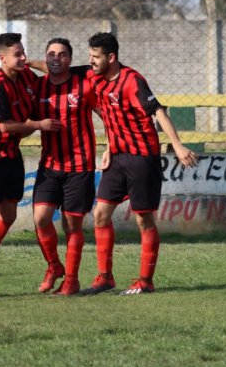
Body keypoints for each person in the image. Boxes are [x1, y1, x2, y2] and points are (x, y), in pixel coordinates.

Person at [80, 32, 199, 295]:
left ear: (111, 57)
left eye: (95, 57)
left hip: (141, 159)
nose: (91, 61)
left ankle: (146, 281)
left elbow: (158, 111)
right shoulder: (93, 76)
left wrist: (177, 146)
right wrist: (28, 62)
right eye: (89, 56)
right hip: (117, 158)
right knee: (100, 214)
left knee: (143, 219)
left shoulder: (133, 81)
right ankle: (104, 278)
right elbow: (59, 69)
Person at [0, 33, 62, 301]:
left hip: (10, 154)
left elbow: (53, 73)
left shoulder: (25, 76)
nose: (22, 58)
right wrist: (38, 125)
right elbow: (5, 126)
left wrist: (30, 63)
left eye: (23, 53)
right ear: (1, 58)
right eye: (16, 54)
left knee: (9, 216)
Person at [29, 38, 98, 296]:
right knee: (41, 218)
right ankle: (54, 266)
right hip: (49, 165)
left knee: (72, 226)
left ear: (70, 59)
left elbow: (107, 116)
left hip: (80, 166)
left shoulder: (84, 86)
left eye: (62, 54)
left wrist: (112, 147)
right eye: (51, 54)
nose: (56, 58)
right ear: (46, 58)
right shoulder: (37, 87)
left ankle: (71, 280)